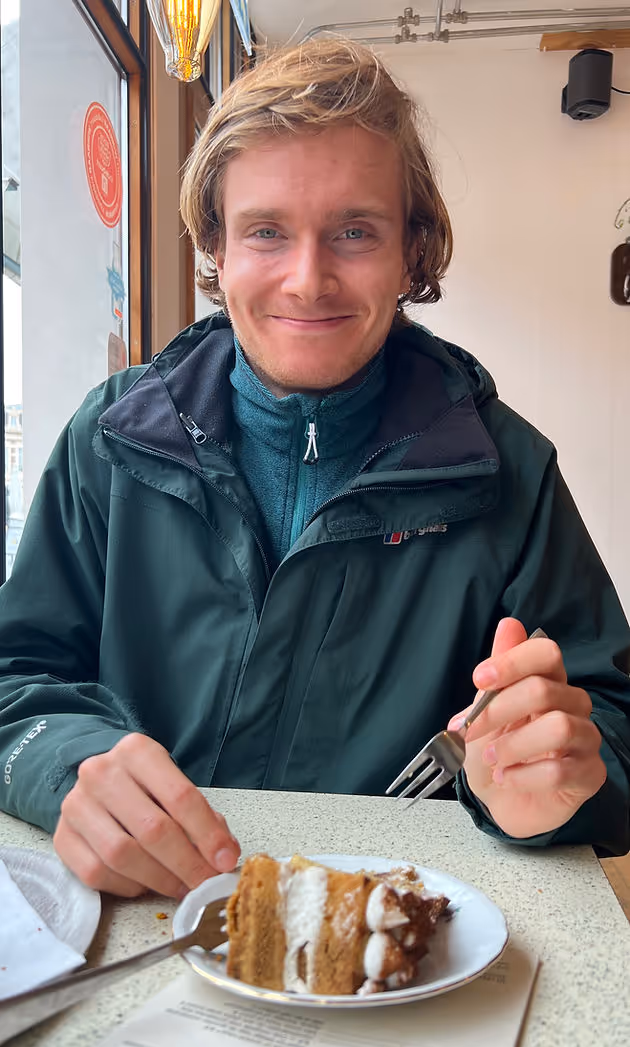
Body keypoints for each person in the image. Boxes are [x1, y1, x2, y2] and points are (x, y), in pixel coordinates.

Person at [0, 40, 629, 901]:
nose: (308, 279)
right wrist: (67, 764)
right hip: (139, 915)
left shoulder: (507, 471)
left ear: (414, 250)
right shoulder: (109, 439)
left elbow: (613, 725)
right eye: (266, 232)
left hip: (394, 946)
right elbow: (14, 677)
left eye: (354, 232)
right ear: (215, 246)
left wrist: (558, 788)